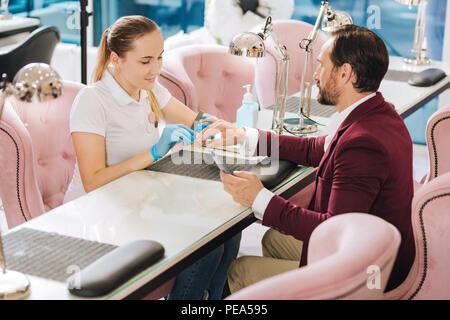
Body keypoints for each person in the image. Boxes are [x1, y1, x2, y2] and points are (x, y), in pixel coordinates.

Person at [198, 24, 415, 293]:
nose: (314, 75)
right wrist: (243, 135)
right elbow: (315, 149)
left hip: (367, 274)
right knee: (274, 239)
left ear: (345, 73)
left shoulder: (363, 145)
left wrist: (258, 198)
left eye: (321, 66)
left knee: (240, 271)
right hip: (375, 250)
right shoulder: (377, 113)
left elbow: (332, 228)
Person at [63, 15, 241, 300]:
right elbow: (93, 181)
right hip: (97, 215)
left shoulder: (150, 89)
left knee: (228, 231)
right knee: (207, 249)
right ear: (115, 60)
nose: (156, 68)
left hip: (137, 200)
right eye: (145, 61)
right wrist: (155, 152)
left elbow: (196, 120)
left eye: (159, 58)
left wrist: (223, 127)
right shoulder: (91, 101)